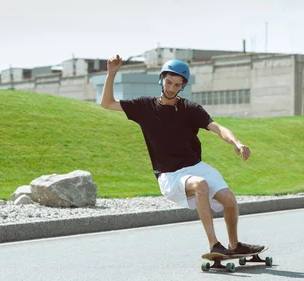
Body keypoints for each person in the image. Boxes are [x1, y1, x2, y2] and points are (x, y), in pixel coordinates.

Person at [100, 54, 264, 256]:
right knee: (200, 184)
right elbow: (107, 103)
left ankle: (234, 244)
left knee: (229, 199)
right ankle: (214, 245)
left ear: (182, 87)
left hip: (195, 166)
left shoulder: (190, 109)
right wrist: (111, 74)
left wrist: (237, 142)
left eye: (177, 85)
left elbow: (217, 127)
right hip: (169, 175)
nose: (171, 88)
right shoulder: (144, 107)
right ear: (161, 79)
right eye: (168, 82)